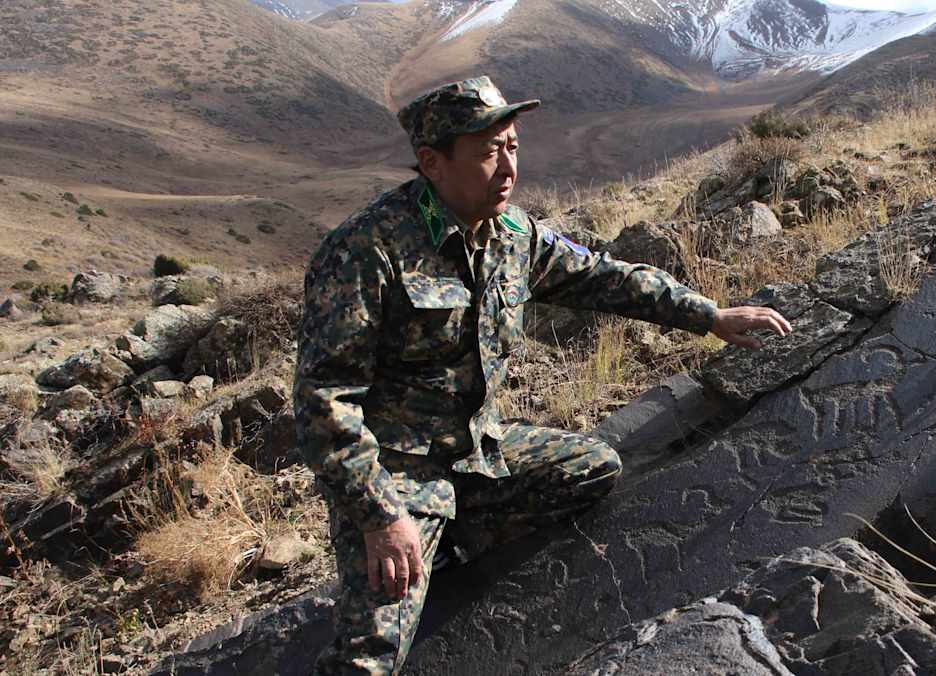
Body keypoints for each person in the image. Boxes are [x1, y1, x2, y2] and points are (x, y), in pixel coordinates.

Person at [292, 75, 791, 675]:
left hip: (479, 452)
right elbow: (324, 400)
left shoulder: (515, 236)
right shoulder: (366, 251)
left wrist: (708, 315)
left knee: (593, 470)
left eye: (513, 147)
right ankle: (421, 537)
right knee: (369, 658)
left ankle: (454, 537)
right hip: (399, 472)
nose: (507, 168)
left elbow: (607, 279)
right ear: (431, 162)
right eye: (486, 152)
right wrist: (379, 516)